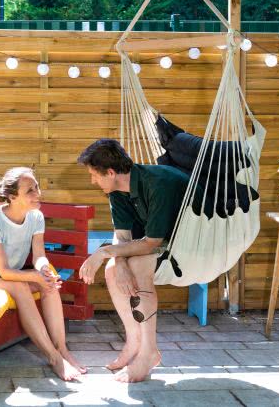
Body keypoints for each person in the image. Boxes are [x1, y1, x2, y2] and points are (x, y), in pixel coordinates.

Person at [0, 167, 86, 381]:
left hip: (5, 278)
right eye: (30, 190)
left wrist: (44, 269)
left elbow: (38, 256)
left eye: (37, 187)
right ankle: (53, 358)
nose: (38, 194)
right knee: (21, 286)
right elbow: (5, 272)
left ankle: (62, 349)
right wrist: (34, 276)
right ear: (12, 196)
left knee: (49, 282)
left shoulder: (36, 217)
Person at [77, 139, 189, 383]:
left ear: (110, 172)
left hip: (194, 241)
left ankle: (149, 352)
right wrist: (118, 263)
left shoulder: (158, 183)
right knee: (111, 271)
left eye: (94, 175)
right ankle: (135, 342)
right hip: (163, 241)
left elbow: (151, 242)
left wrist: (104, 253)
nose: (92, 181)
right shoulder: (117, 191)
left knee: (135, 267)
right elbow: (123, 238)